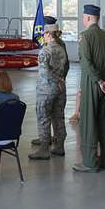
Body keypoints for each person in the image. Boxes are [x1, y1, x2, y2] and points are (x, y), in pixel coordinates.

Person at [73, 4, 105, 173]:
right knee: (104, 122)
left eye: (84, 16)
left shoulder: (85, 36)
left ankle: (89, 162)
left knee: (88, 122)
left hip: (92, 84)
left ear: (88, 18)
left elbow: (86, 63)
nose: (83, 19)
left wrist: (99, 81)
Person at [30, 22, 69, 160]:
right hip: (60, 89)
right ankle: (59, 146)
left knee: (43, 118)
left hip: (46, 89)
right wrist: (60, 80)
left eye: (44, 35)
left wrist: (56, 79)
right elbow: (66, 67)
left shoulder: (45, 51)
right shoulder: (61, 49)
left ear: (47, 34)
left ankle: (44, 149)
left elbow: (44, 72)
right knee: (58, 117)